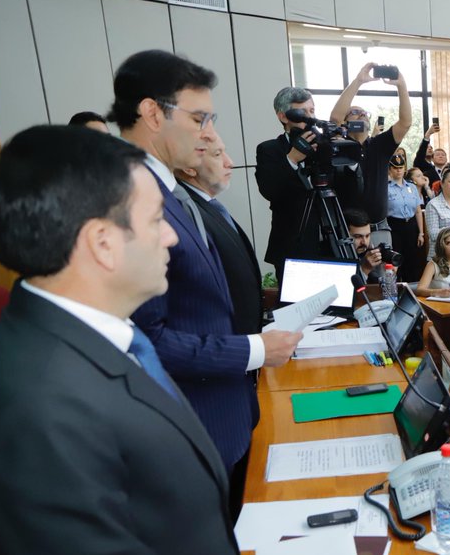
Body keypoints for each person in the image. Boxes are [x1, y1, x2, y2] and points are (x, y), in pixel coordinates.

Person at [0, 125, 320, 555]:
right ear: (103, 244)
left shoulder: (93, 335)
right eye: (154, 219)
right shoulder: (42, 398)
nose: (172, 235)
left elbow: (146, 517)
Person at [113, 50, 301, 517]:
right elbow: (143, 341)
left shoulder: (169, 193)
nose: (208, 133)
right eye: (199, 118)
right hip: (193, 425)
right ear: (153, 113)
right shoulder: (129, 196)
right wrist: (256, 350)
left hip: (225, 414)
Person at [175, 136, 264, 406]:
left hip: (244, 351)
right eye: (218, 155)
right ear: (190, 167)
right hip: (224, 363)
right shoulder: (186, 211)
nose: (230, 163)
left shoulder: (208, 205)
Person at [329, 62, 411, 218]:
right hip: (348, 229)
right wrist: (358, 81)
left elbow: (405, 123)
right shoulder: (339, 146)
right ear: (346, 123)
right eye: (355, 112)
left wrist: (401, 85)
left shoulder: (379, 145)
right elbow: (335, 118)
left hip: (378, 226)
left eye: (365, 112)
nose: (362, 114)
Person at [254, 85, 318, 280]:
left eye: (312, 111)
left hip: (330, 240)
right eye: (302, 112)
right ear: (283, 116)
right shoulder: (270, 149)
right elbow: (269, 190)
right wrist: (292, 159)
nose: (309, 117)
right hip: (292, 245)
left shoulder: (323, 145)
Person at [385, 151, 426, 281]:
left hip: (411, 225)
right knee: (396, 260)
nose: (398, 171)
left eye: (401, 168)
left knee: (413, 260)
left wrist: (421, 232)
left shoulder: (412, 187)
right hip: (394, 225)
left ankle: (413, 290)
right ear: (390, 169)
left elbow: (418, 210)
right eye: (395, 168)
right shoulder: (385, 187)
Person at [416, 227, 450, 297]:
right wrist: (438, 292)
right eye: (448, 243)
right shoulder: (432, 265)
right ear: (441, 245)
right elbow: (419, 290)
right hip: (438, 304)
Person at [347, 209, 385, 282]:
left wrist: (388, 273)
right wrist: (365, 269)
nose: (364, 242)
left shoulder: (368, 253)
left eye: (367, 236)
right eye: (358, 236)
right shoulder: (333, 255)